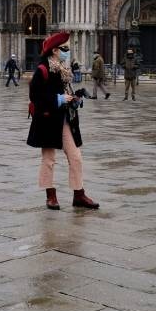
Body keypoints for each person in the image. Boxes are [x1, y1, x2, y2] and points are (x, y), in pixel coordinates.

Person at [28, 31, 99, 211]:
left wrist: (74, 98)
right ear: (54, 50)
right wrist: (57, 99)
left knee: (75, 156)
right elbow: (35, 96)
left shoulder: (63, 70)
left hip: (65, 119)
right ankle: (50, 195)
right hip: (48, 120)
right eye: (64, 49)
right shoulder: (43, 70)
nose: (67, 52)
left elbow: (66, 92)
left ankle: (79, 194)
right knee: (49, 158)